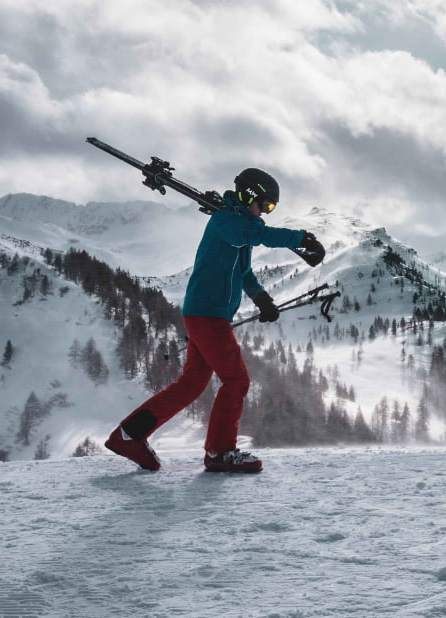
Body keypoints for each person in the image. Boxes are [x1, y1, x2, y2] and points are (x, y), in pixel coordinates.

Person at [105, 167, 325, 473]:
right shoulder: (226, 222)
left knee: (191, 384)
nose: (266, 211)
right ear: (249, 194)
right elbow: (257, 235)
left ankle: (128, 435)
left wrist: (262, 300)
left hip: (207, 313)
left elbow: (244, 272)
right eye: (265, 204)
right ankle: (220, 452)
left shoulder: (238, 226)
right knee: (236, 380)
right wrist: (302, 237)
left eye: (271, 208)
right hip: (208, 315)